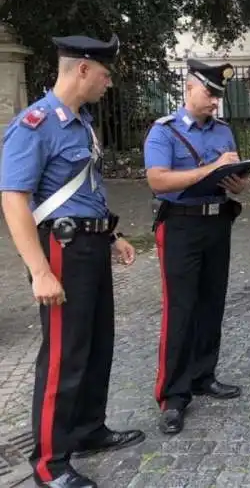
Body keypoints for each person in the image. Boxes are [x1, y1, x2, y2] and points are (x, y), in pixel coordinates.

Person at [0, 34, 144, 488]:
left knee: (97, 343)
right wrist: (40, 271)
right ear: (82, 68)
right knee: (63, 356)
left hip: (91, 246)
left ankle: (88, 430)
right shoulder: (35, 124)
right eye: (105, 74)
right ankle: (49, 462)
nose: (108, 82)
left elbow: (85, 191)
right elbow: (13, 199)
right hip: (60, 253)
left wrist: (114, 235)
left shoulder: (81, 123)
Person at [143, 58, 248, 436]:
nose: (215, 101)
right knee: (181, 308)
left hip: (217, 222)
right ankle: (173, 395)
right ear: (188, 89)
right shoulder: (164, 132)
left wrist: (236, 183)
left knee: (211, 301)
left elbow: (229, 176)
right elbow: (158, 180)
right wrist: (210, 169)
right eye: (209, 93)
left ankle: (204, 375)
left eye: (219, 95)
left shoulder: (223, 130)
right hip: (181, 227)